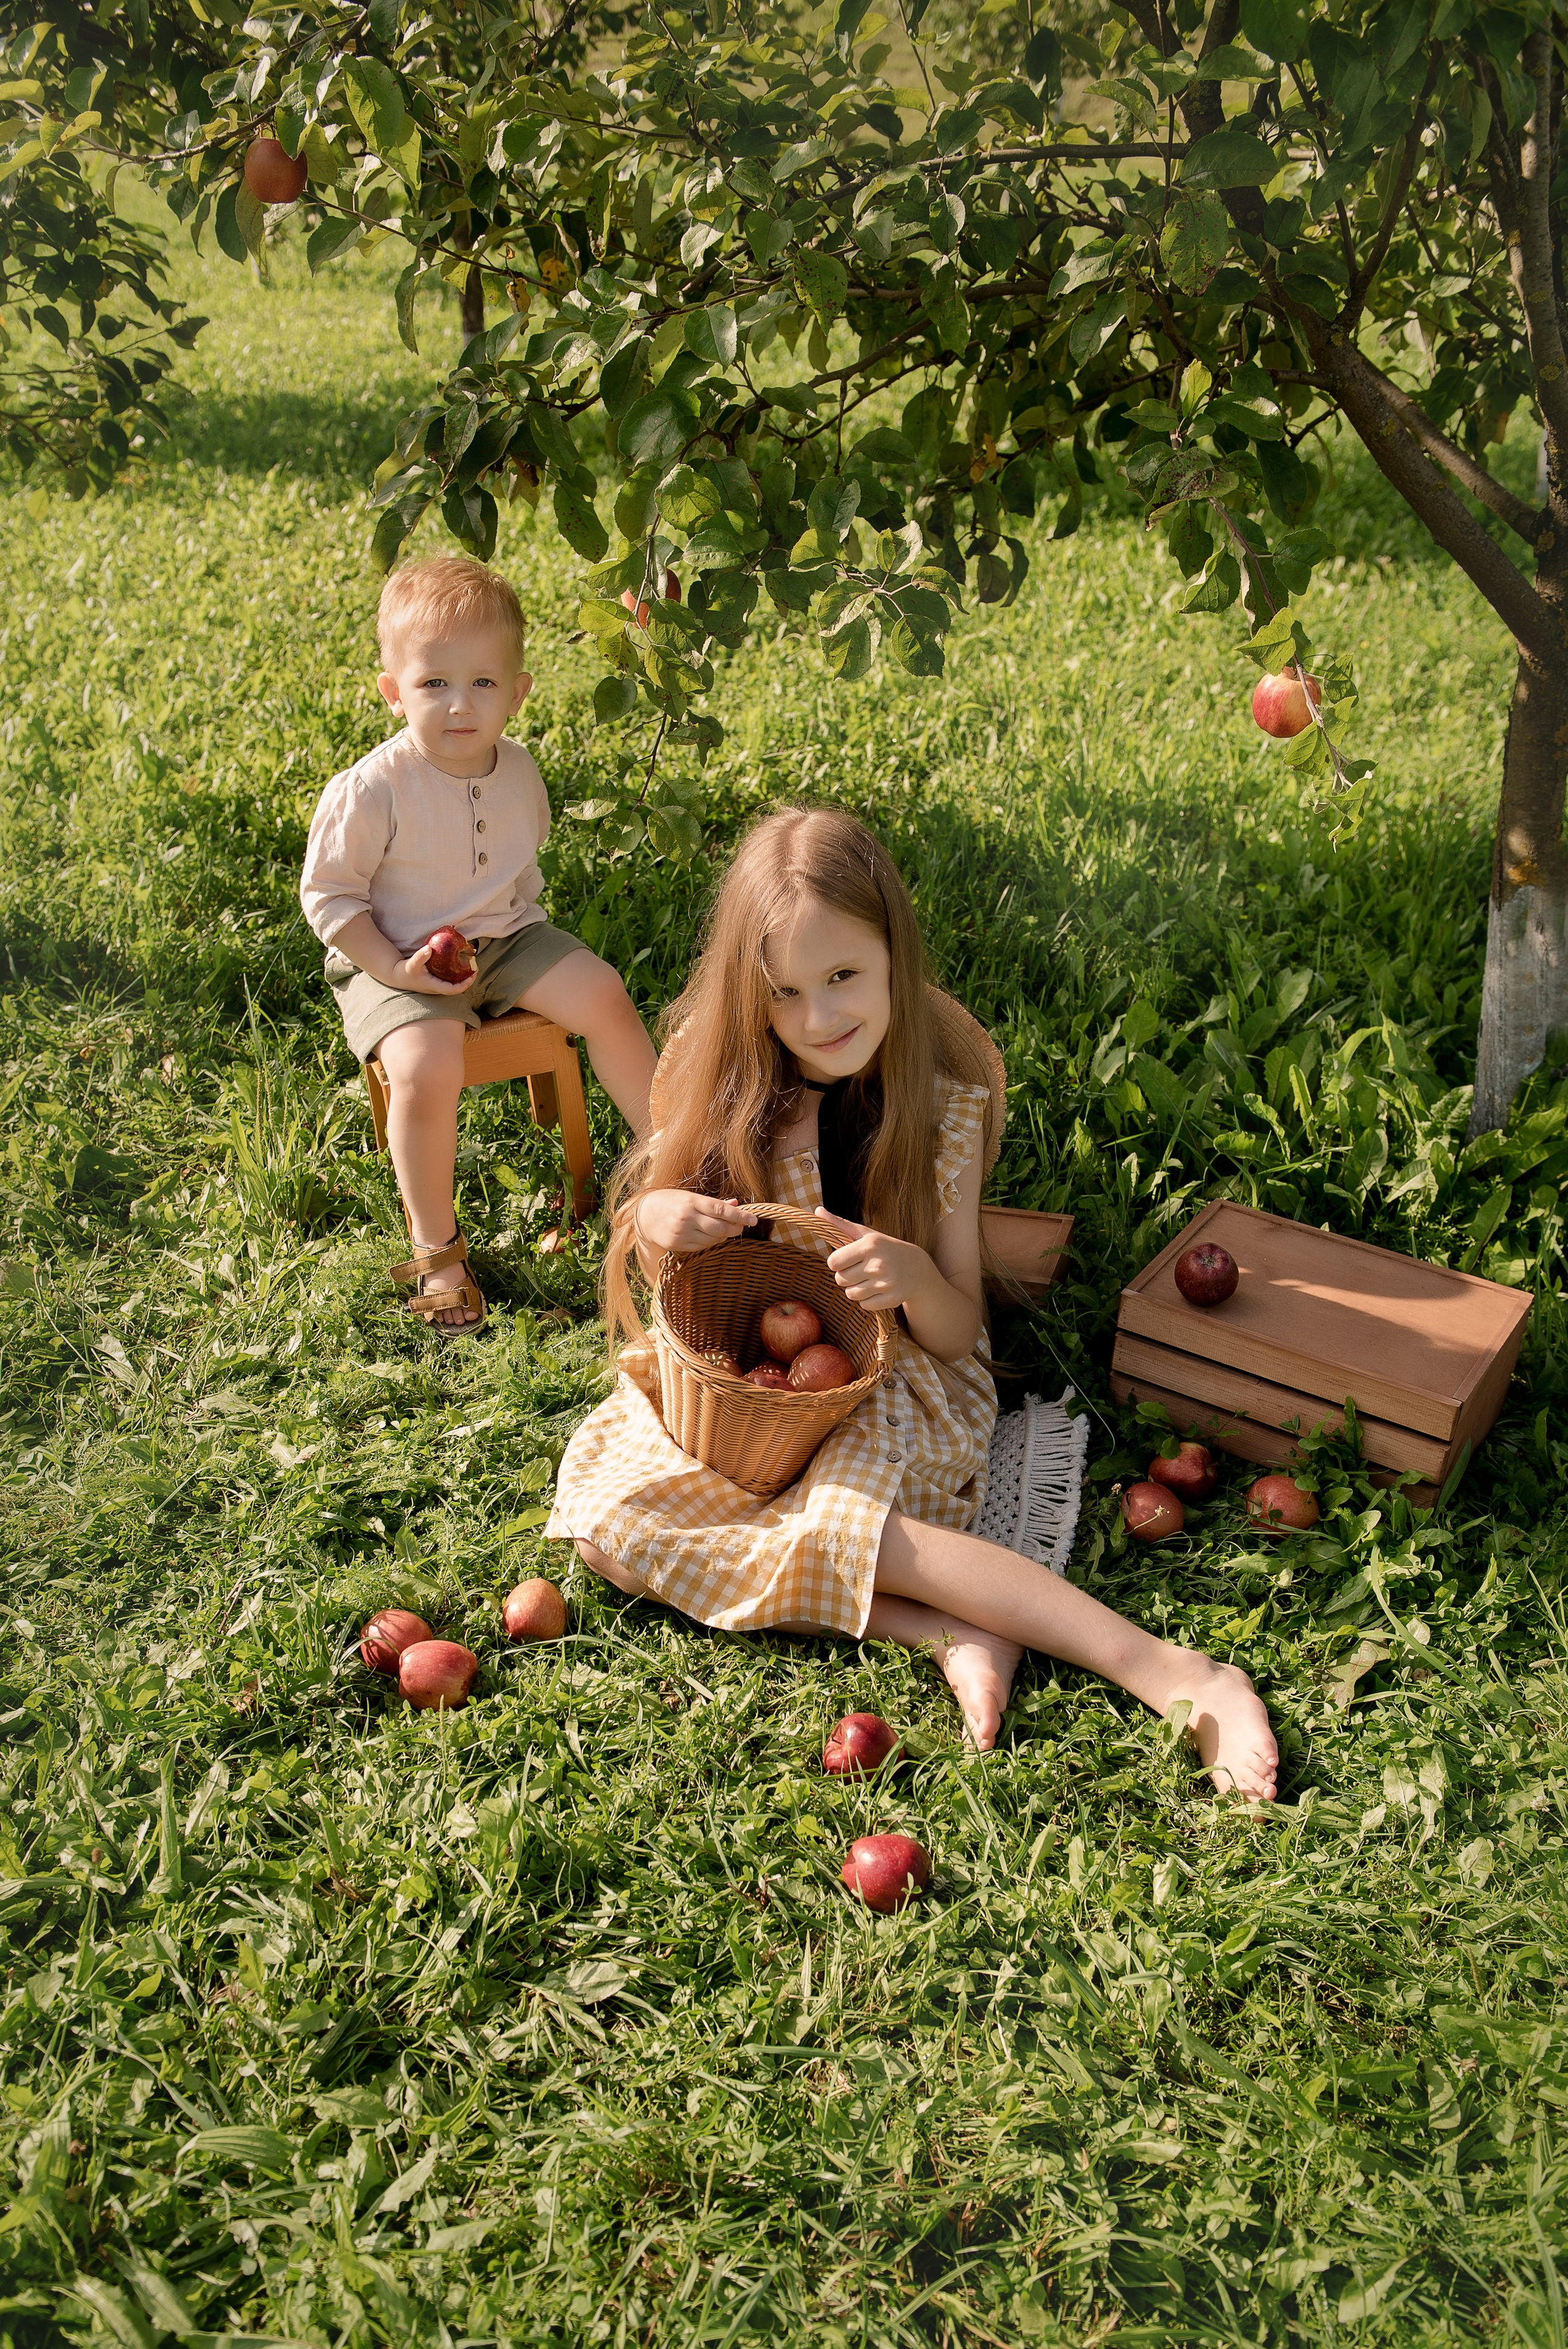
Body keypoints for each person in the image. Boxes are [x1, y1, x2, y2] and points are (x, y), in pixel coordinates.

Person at [545, 807, 1277, 1796]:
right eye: (787, 992)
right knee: (609, 1531)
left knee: (856, 1517)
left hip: (903, 1378)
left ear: (894, 950)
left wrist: (918, 1278)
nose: (818, 1017)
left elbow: (960, 1325)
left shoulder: (939, 1110)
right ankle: (951, 1622)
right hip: (751, 1402)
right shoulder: (726, 1088)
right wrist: (660, 1213)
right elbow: (665, 1261)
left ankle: (1175, 1670)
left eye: (844, 976)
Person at [300, 554, 655, 1336]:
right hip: (391, 954)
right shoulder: (373, 789)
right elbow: (330, 898)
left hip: (501, 935)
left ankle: (674, 1157)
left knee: (603, 995)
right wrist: (395, 967)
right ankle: (438, 1247)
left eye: (484, 684)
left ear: (517, 693)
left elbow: (514, 880)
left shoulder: (519, 771)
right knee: (429, 1067)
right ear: (394, 692)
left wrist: (511, 944)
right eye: (433, 684)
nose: (460, 705)